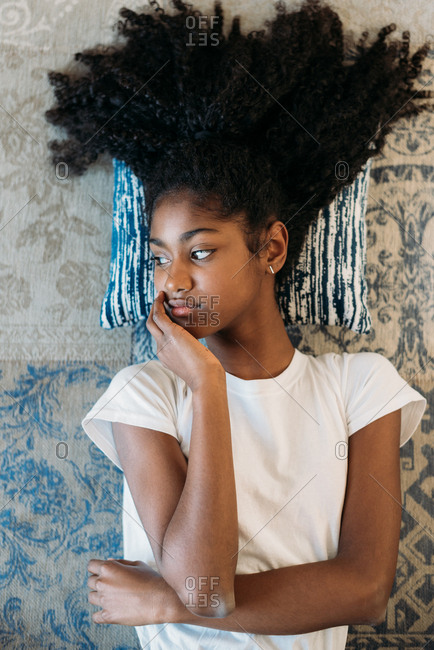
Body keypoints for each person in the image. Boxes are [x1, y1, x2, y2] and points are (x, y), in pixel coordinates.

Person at [45, 0, 431, 647]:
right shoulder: (145, 394)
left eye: (200, 251)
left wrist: (164, 601)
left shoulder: (361, 389)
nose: (172, 281)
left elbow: (364, 590)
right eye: (159, 258)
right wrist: (206, 387)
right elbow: (206, 589)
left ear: (271, 249)